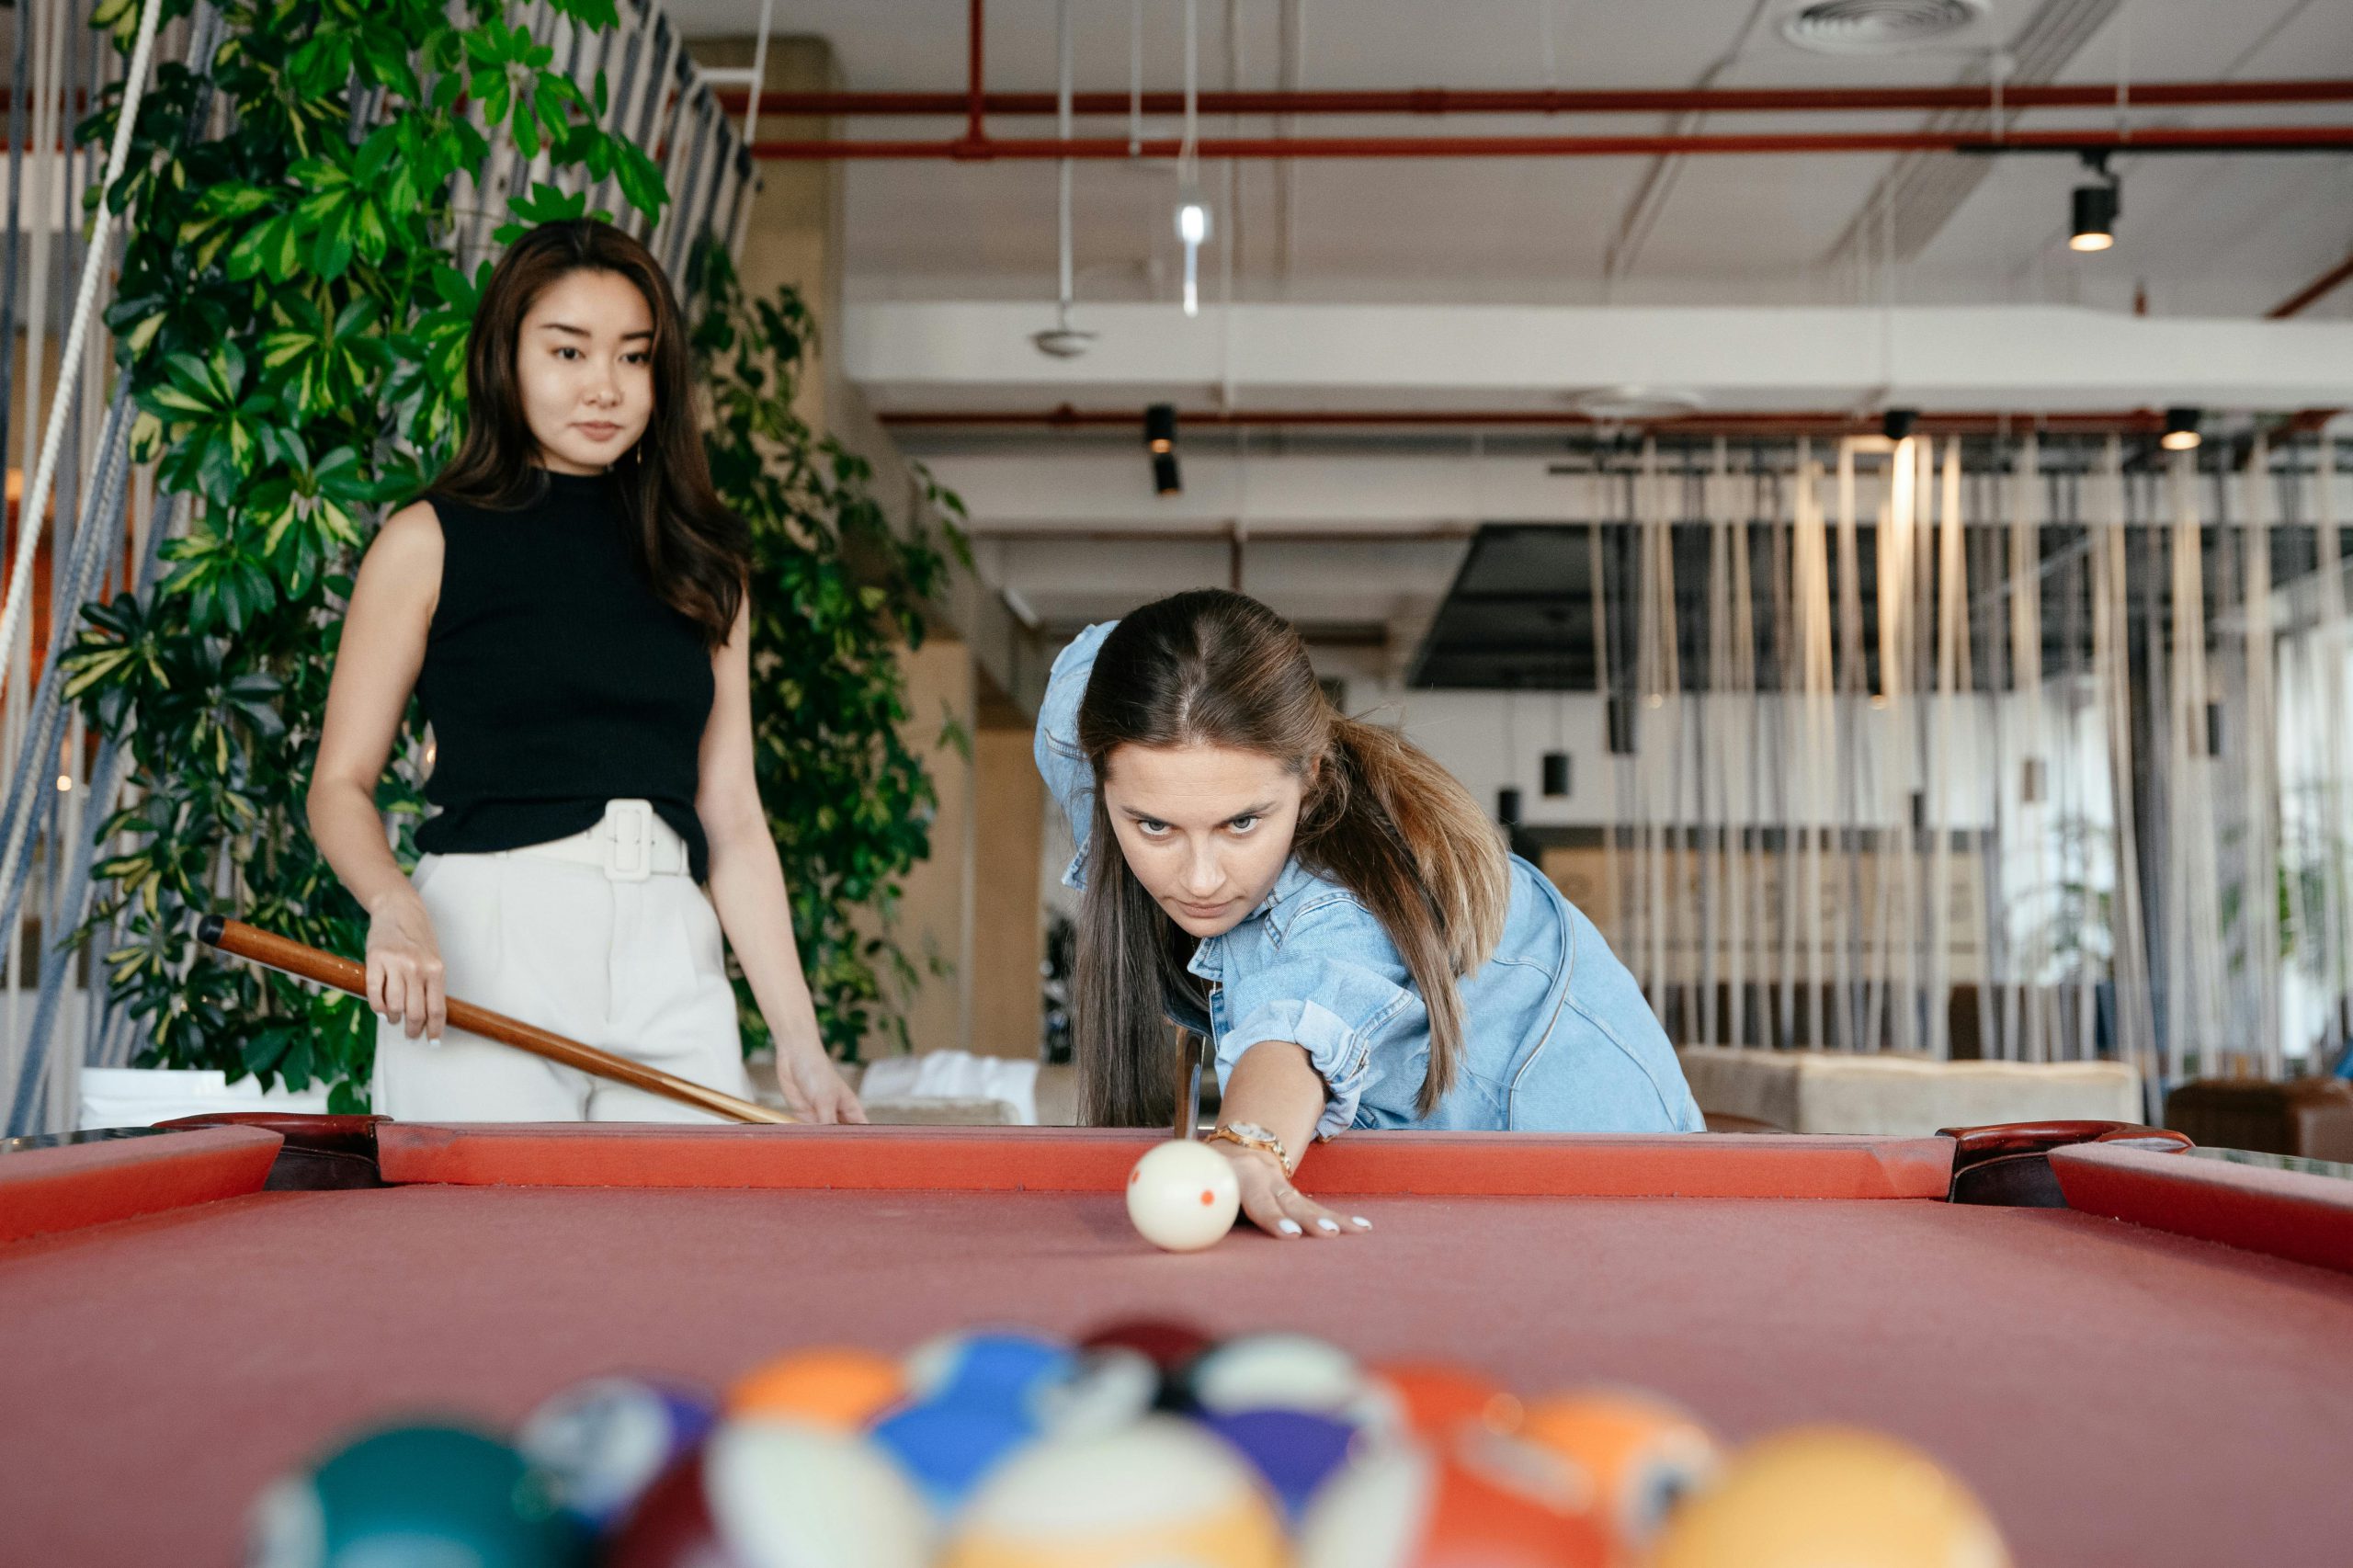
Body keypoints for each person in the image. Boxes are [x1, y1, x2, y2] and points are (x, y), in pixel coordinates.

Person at [307, 220, 862, 1124]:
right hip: (488, 947)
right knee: (492, 1264)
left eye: (633, 358)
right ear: (505, 358)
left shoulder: (705, 562)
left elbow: (732, 816)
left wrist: (799, 1040)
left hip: (671, 951)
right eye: (568, 350)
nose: (604, 386)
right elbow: (339, 783)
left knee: (685, 1260)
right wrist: (392, 903)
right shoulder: (426, 540)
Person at [1038, 590, 1698, 1238]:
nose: (1201, 878)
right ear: (1099, 782)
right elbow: (1093, 661)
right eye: (1153, 825)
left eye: (1242, 822)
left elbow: (1298, 1032)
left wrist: (1247, 1145)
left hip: (1605, 1164)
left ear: (1313, 777)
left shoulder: (1345, 895)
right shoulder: (1081, 731)